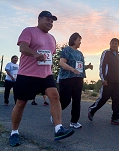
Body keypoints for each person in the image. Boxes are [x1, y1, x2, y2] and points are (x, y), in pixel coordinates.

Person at [9, 11, 74, 147]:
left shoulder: (52, 38)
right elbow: (23, 47)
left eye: (52, 21)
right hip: (27, 74)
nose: (50, 23)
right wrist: (35, 54)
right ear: (39, 19)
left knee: (55, 96)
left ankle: (58, 129)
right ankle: (14, 132)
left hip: (46, 74)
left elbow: (49, 56)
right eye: (47, 20)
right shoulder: (29, 31)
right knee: (21, 103)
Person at [56, 32, 93, 129]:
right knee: (65, 100)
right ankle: (55, 115)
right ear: (73, 40)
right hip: (67, 78)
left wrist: (87, 67)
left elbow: (79, 67)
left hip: (78, 79)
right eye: (79, 40)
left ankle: (74, 121)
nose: (80, 42)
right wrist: (72, 69)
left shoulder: (80, 53)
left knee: (77, 100)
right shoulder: (66, 50)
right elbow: (62, 63)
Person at [88, 38, 119, 126]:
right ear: (110, 44)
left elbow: (118, 69)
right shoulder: (106, 53)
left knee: (117, 99)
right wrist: (103, 79)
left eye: (116, 43)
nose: (114, 45)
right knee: (104, 98)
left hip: (117, 81)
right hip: (108, 80)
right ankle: (92, 110)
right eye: (113, 43)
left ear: (118, 45)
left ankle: (115, 118)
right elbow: (102, 66)